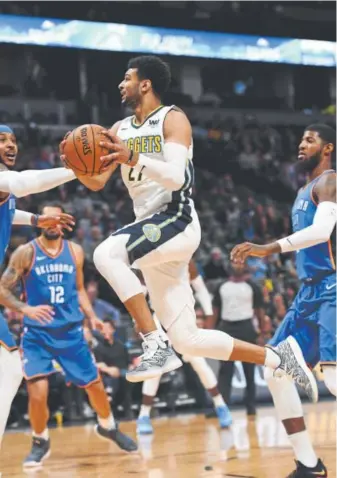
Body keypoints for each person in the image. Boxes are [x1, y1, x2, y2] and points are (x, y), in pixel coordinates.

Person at [60, 55, 317, 402]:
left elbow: (177, 176)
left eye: (127, 78)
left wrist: (131, 157)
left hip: (175, 219)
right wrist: (76, 166)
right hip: (149, 231)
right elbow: (97, 182)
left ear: (145, 84)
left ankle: (152, 342)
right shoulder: (118, 130)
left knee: (106, 253)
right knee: (187, 339)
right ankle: (277, 356)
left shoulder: (173, 118)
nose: (121, 85)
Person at [231, 124, 336, 478]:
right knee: (276, 369)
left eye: (310, 140)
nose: (301, 144)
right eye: (301, 139)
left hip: (332, 287)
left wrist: (269, 247)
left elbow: (322, 233)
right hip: (308, 292)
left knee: (334, 381)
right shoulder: (303, 190)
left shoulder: (330, 182)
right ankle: (309, 464)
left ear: (328, 148)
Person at [0, 204, 137, 468]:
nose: (52, 224)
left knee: (94, 386)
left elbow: (79, 290)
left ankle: (108, 426)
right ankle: (40, 441)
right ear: (42, 222)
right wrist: (25, 308)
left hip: (71, 333)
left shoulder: (75, 252)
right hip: (37, 336)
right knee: (37, 392)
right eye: (47, 219)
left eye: (57, 219)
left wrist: (93, 318)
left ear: (63, 223)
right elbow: (3, 290)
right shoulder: (25, 253)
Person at [0, 125, 77, 450]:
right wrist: (77, 168)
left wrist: (35, 220)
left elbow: (9, 206)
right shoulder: (7, 180)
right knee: (9, 366)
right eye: (1, 140)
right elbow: (22, 183)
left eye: (13, 140)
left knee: (10, 366)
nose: (10, 145)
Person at [136, 259, 232, 435]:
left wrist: (209, 316)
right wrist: (138, 318)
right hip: (160, 320)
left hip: (183, 319)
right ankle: (143, 416)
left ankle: (220, 406)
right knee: (156, 368)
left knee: (199, 364)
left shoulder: (187, 259)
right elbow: (140, 295)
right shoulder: (148, 261)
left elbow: (201, 289)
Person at [213, 264, 266, 417]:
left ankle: (251, 406)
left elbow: (260, 312)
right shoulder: (221, 286)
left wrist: (262, 333)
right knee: (225, 371)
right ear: (229, 267)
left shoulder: (252, 287)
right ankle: (223, 407)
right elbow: (215, 311)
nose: (237, 266)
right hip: (226, 327)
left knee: (249, 369)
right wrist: (210, 332)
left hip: (246, 327)